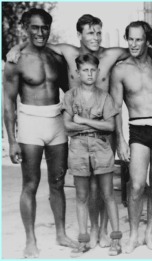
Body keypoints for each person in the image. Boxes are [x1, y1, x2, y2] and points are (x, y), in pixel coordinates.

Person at [7, 14, 152, 249]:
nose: (95, 37)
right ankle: (92, 231)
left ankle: (104, 231)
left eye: (98, 32)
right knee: (86, 185)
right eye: (90, 32)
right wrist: (16, 46)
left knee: (104, 184)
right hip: (77, 131)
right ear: (79, 35)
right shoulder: (67, 52)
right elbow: (39, 41)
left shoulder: (111, 54)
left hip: (104, 128)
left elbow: (142, 47)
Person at [3, 8, 77, 258]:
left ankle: (60, 233)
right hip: (30, 125)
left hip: (56, 123)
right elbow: (8, 103)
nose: (40, 32)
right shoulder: (16, 60)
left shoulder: (56, 57)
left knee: (57, 182)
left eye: (44, 27)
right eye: (34, 27)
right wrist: (11, 141)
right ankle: (30, 241)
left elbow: (69, 92)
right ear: (26, 28)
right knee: (30, 184)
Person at [110, 20, 152, 254]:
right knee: (138, 185)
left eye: (139, 39)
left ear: (147, 41)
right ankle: (133, 235)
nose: (133, 44)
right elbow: (117, 108)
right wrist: (120, 139)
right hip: (137, 130)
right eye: (130, 38)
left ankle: (149, 231)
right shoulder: (120, 69)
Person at [62, 53, 122, 256]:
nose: (89, 74)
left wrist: (83, 121)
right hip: (78, 148)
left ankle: (115, 239)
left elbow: (110, 125)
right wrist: (90, 125)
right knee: (81, 196)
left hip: (101, 146)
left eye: (92, 70)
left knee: (108, 194)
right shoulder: (70, 96)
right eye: (85, 70)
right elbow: (67, 126)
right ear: (78, 73)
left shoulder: (104, 97)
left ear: (97, 72)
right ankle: (83, 240)